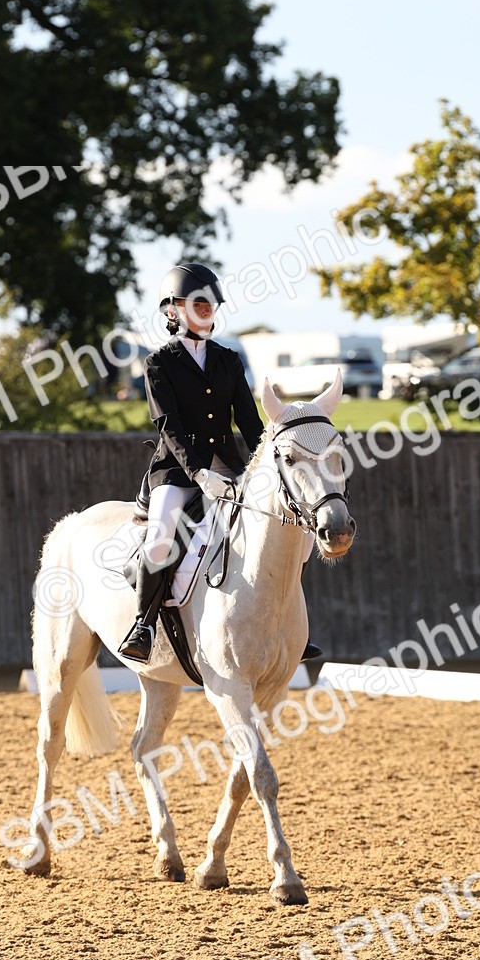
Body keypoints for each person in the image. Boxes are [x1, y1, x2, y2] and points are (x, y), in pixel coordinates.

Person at [117, 261, 321, 664]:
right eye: (197, 302)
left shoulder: (229, 360)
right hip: (178, 471)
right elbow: (168, 426)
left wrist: (264, 459)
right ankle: (143, 623)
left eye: (210, 302)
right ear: (173, 310)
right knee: (160, 539)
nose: (207, 308)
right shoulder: (158, 364)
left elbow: (248, 420)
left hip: (230, 466)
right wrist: (199, 473)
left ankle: (286, 625)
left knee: (295, 530)